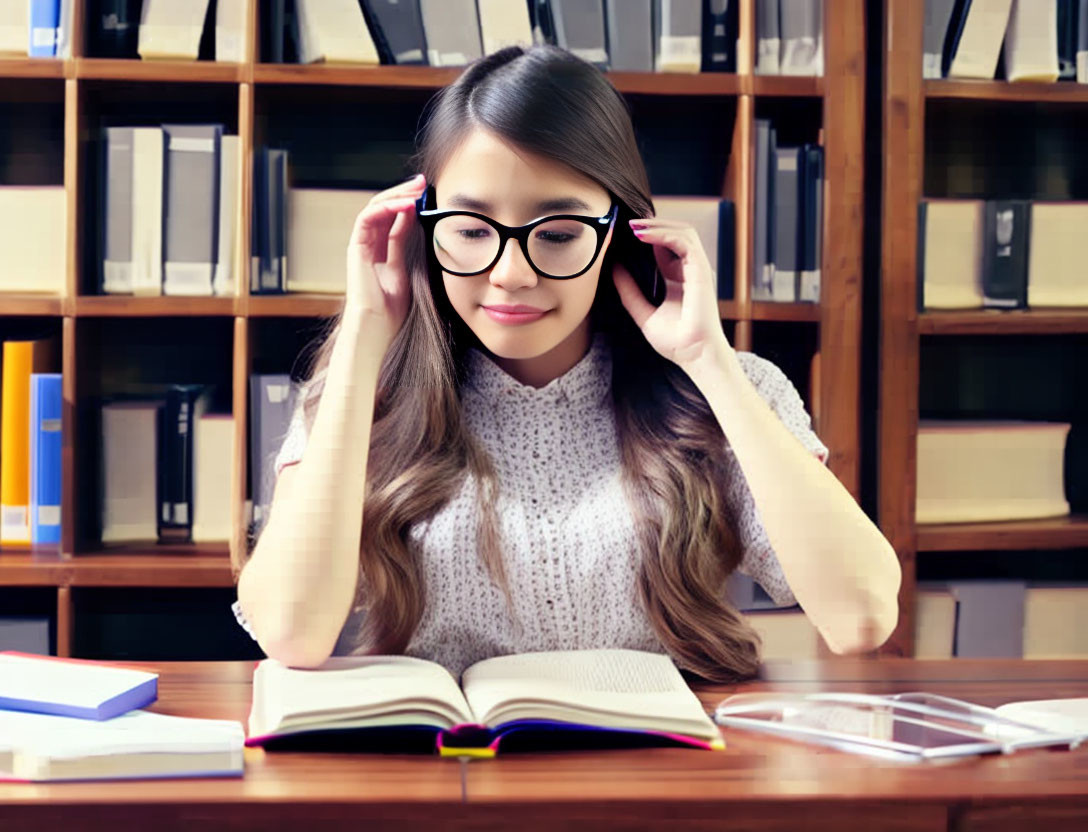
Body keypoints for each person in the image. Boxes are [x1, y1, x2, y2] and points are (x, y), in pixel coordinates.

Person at [233, 45, 901, 682]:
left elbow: (860, 615)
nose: (511, 273)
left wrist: (710, 363)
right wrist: (362, 338)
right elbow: (291, 632)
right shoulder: (362, 396)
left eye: (556, 235)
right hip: (450, 775)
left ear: (616, 234)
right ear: (424, 230)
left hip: (663, 776)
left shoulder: (732, 390)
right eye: (469, 230)